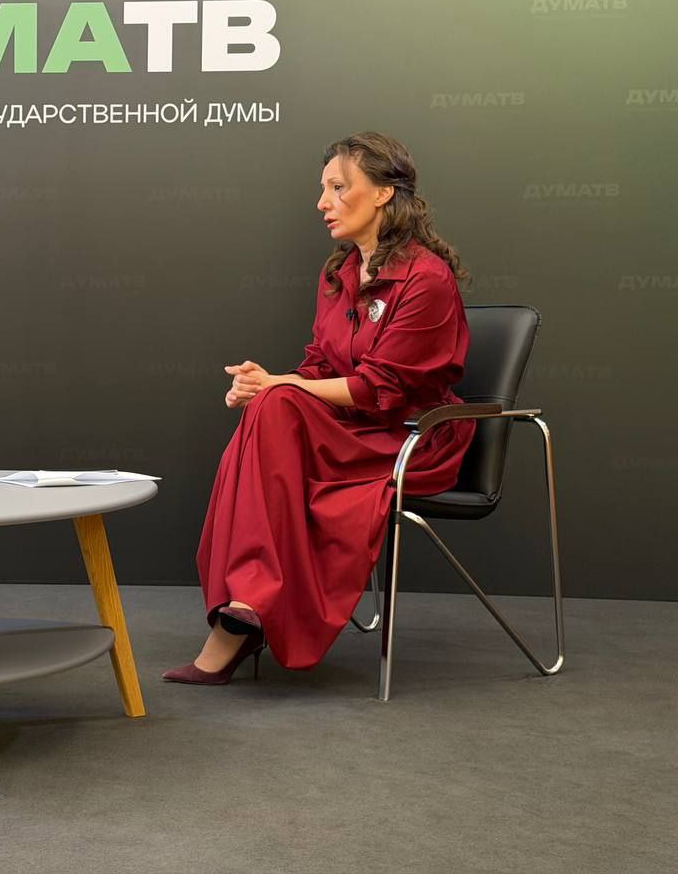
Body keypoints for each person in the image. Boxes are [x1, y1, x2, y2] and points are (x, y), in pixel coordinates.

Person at [163, 132, 475, 685]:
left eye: (337, 188)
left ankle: (243, 614)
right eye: (323, 189)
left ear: (382, 193)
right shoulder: (340, 274)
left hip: (409, 438)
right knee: (273, 405)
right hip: (350, 429)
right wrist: (258, 385)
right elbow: (319, 367)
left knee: (278, 402)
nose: (322, 202)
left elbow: (380, 388)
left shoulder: (426, 279)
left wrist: (276, 387)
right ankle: (249, 604)